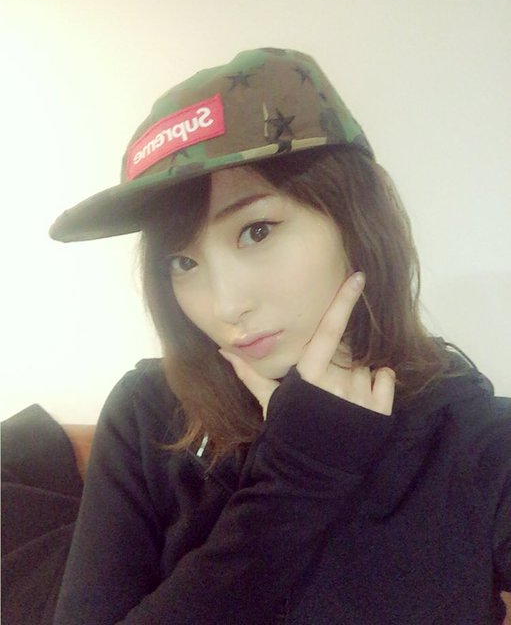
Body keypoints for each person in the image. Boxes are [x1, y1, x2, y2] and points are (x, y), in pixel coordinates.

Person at [50, 48, 510, 624]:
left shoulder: (472, 436)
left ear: (356, 218)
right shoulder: (150, 414)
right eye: (182, 263)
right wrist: (294, 485)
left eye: (257, 231)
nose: (225, 305)